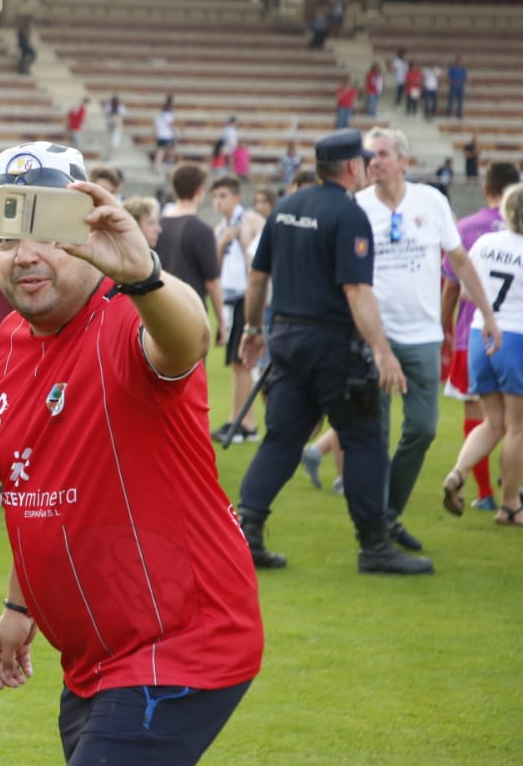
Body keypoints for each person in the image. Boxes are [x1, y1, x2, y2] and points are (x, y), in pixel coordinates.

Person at [0, 141, 262, 766]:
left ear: (83, 232)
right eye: (4, 239)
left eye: (46, 233)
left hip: (181, 644)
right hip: (91, 660)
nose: (24, 256)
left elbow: (185, 341)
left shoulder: (128, 316)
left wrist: (144, 277)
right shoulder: (13, 340)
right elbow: (32, 481)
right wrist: (19, 605)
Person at [236, 128, 434, 575]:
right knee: (364, 438)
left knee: (283, 439)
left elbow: (256, 278)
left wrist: (253, 329)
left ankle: (247, 532)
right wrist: (382, 351)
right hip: (333, 346)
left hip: (286, 338)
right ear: (351, 167)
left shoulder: (285, 208)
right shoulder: (349, 215)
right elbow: (357, 289)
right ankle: (374, 545)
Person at [352, 127, 501, 552]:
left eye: (381, 154)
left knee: (423, 428)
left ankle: (388, 514)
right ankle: (379, 527)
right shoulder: (357, 207)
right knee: (374, 434)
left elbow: (459, 261)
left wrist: (488, 315)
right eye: (369, 155)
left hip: (421, 336)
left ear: (403, 161)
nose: (374, 162)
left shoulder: (431, 202)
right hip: (373, 337)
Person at [442, 183, 523, 528]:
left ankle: (457, 472)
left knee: (491, 422)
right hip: (520, 340)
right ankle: (511, 506)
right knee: (518, 430)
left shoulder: (484, 244)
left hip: (482, 336)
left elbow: (466, 292)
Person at [211, 175, 266, 444]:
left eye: (223, 195)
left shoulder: (252, 220)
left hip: (249, 297)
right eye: (215, 196)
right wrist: (222, 243)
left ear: (236, 197)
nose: (218, 202)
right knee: (236, 362)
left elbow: (263, 259)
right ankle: (242, 420)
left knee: (243, 361)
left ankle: (243, 422)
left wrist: (244, 244)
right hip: (230, 298)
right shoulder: (220, 227)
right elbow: (214, 266)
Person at [154, 164, 224, 351]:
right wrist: (222, 323)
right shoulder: (202, 230)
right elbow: (212, 282)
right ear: (200, 189)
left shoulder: (157, 226)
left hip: (157, 311)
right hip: (190, 313)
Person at [153, 95, 178, 170]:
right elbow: (171, 124)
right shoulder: (169, 114)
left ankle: (157, 164)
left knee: (160, 150)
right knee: (167, 150)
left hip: (160, 134)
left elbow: (155, 125)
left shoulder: (160, 114)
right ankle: (168, 162)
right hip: (167, 135)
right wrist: (176, 132)